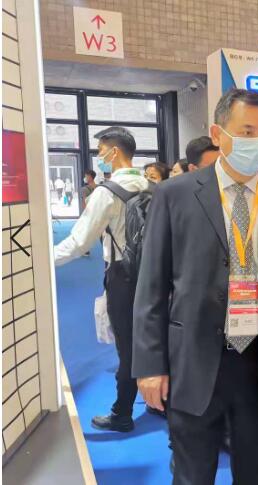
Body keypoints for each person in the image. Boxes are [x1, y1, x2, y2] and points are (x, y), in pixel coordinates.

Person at [132, 89, 258, 485]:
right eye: (247, 131)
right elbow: (151, 286)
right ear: (218, 133)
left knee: (255, 472)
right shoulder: (174, 195)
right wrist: (149, 365)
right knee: (193, 473)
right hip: (193, 359)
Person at [54, 127, 149, 432]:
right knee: (153, 336)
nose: (99, 156)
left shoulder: (106, 193)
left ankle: (122, 413)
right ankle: (160, 400)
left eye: (100, 150)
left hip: (123, 274)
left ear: (114, 152)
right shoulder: (151, 185)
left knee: (126, 346)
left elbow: (79, 242)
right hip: (154, 273)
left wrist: (45, 261)